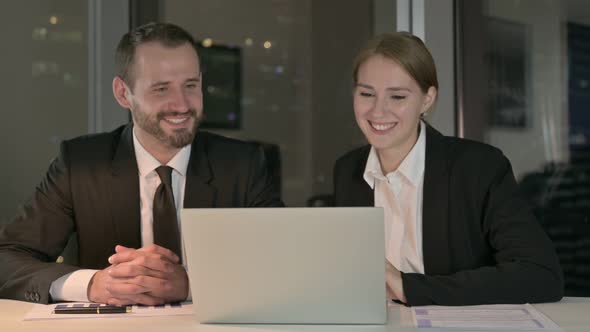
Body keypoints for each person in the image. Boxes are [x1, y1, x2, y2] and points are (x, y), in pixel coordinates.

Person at [0, 22, 283, 305]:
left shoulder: (243, 165)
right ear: (123, 93)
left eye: (191, 85)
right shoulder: (80, 164)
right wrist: (93, 285)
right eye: (161, 89)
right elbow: (8, 259)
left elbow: (285, 264)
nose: (182, 104)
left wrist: (191, 283)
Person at [333, 32, 563, 306]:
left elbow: (541, 275)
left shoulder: (478, 167)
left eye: (397, 96)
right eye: (367, 94)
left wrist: (409, 288)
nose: (378, 111)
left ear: (427, 99)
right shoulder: (348, 170)